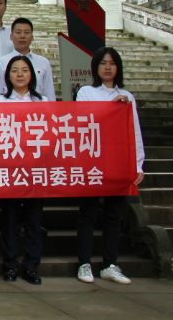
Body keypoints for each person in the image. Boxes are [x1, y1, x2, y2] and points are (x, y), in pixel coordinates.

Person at [75, 47, 145, 285]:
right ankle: (84, 263)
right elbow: (83, 121)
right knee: (88, 213)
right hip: (92, 161)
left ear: (118, 68)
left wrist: (138, 164)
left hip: (118, 162)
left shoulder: (127, 96)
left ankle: (109, 264)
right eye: (103, 63)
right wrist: (110, 107)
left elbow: (134, 131)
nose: (107, 67)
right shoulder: (86, 92)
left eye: (112, 63)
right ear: (95, 67)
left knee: (114, 214)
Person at [0, 55, 44, 285]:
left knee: (33, 220)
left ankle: (31, 267)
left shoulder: (42, 102)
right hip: (10, 169)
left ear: (32, 74)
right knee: (10, 219)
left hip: (35, 170)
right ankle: (10, 265)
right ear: (8, 76)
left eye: (24, 70)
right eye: (14, 70)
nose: (20, 74)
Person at [0, 18, 57, 102]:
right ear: (11, 36)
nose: (22, 36)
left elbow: (50, 94)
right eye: (18, 32)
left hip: (38, 108)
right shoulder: (1, 63)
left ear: (32, 37)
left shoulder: (43, 62)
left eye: (26, 32)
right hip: (9, 108)